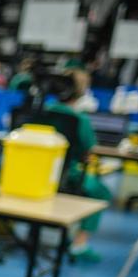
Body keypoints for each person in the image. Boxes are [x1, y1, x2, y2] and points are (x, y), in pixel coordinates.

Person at [46, 70, 112, 263]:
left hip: (38, 174)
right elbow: (88, 151)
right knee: (101, 192)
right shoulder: (79, 119)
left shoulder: (42, 111)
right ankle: (79, 244)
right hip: (67, 174)